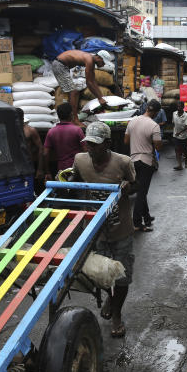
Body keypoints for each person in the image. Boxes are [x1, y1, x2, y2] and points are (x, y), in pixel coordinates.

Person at [71, 122, 137, 338]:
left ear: (108, 144)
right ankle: (110, 297)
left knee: (122, 276)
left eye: (96, 145)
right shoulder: (80, 160)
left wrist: (128, 187)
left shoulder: (123, 162)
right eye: (88, 144)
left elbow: (135, 184)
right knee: (101, 274)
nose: (91, 149)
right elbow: (74, 180)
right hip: (95, 229)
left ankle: (117, 314)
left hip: (120, 229)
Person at [124, 99, 162, 231]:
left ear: (146, 108)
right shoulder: (154, 126)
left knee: (141, 189)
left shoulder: (132, 121)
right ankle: (137, 223)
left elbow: (126, 141)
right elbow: (158, 146)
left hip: (134, 160)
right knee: (142, 193)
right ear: (156, 112)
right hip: (147, 161)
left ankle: (147, 217)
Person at [52, 49, 108, 121]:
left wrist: (101, 96)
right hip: (60, 65)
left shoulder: (91, 60)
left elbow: (93, 80)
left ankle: (72, 117)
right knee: (73, 92)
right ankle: (75, 120)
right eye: (103, 62)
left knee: (75, 92)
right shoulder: (89, 60)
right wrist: (99, 98)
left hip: (63, 65)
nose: (103, 65)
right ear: (99, 57)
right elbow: (89, 83)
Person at [42, 102, 84, 179]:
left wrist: (47, 172)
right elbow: (86, 151)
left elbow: (45, 154)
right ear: (71, 114)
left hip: (61, 169)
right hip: (77, 168)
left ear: (58, 115)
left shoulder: (51, 132)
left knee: (63, 189)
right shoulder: (77, 130)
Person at [16, 108, 44, 184]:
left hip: (28, 164)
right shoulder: (11, 130)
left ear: (22, 118)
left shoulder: (30, 130)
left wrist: (40, 169)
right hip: (16, 166)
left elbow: (40, 148)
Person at [171, 100, 187, 170]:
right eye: (178, 106)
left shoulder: (186, 115)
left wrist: (180, 132)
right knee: (177, 149)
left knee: (185, 151)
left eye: (180, 107)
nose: (178, 108)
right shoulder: (174, 114)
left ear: (183, 107)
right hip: (176, 135)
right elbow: (173, 123)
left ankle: (186, 163)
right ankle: (179, 165)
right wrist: (175, 131)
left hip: (184, 136)